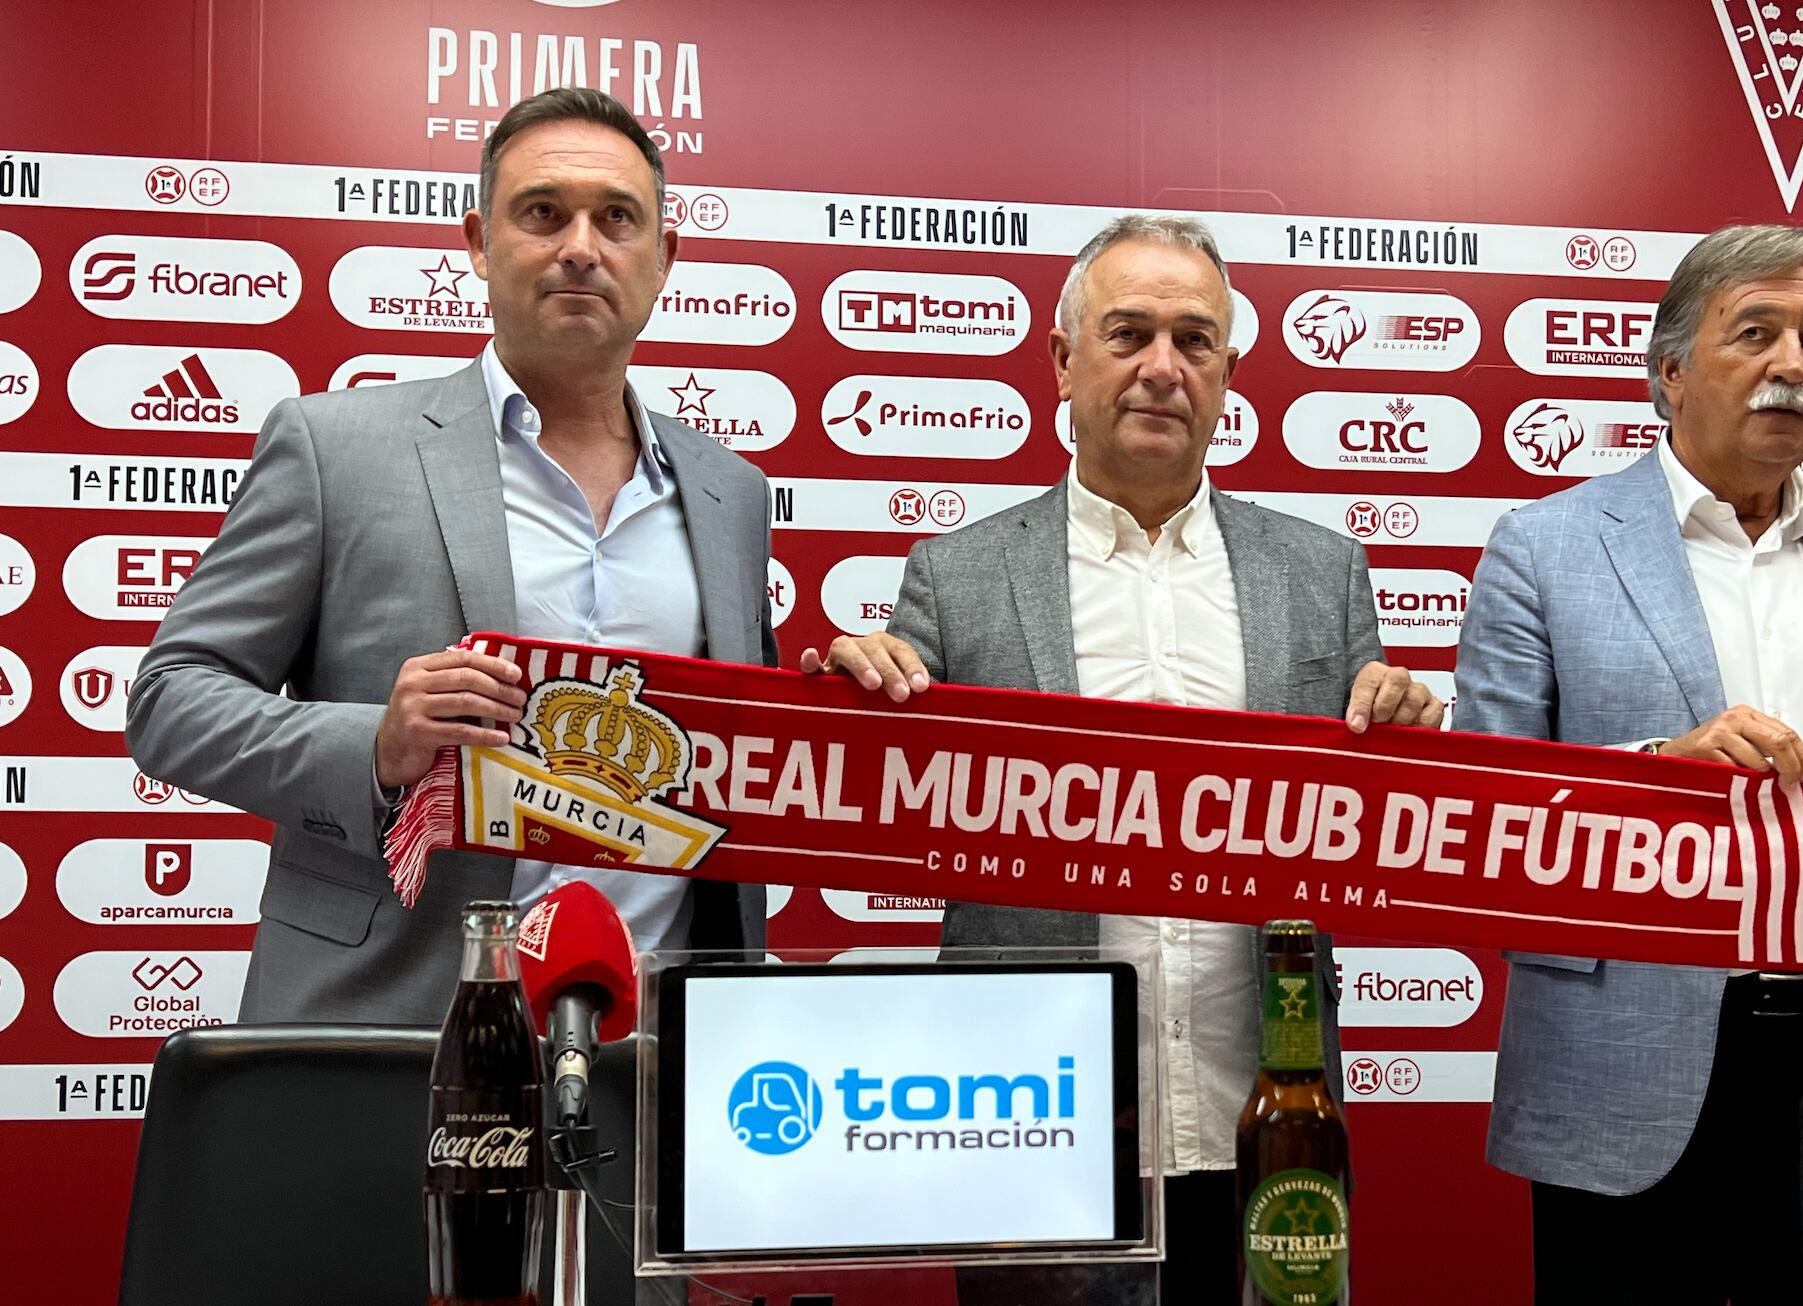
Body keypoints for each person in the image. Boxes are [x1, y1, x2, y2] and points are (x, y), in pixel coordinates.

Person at [805, 214, 1443, 1301]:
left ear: (1230, 370)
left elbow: (1367, 824)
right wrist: (851, 704)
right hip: (1031, 1128)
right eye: (1128, 333)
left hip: (1268, 1123)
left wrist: (1412, 738)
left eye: (1195, 341)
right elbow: (870, 795)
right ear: (1060, 359)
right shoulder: (955, 580)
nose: (1162, 368)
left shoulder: (1322, 574)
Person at [126, 88, 775, 1025]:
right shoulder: (333, 446)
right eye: (543, 213)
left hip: (650, 1040)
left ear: (664, 257)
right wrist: (377, 746)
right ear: (477, 242)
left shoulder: (729, 492)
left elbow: (735, 748)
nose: (581, 247)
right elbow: (173, 698)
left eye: (618, 218)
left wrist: (841, 701)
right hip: (391, 1020)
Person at [1454, 223, 1803, 1306]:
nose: (1793, 364)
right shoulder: (1545, 545)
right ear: (1669, 369)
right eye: (1756, 332)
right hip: (1622, 1073)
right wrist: (1664, 767)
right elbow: (1486, 822)